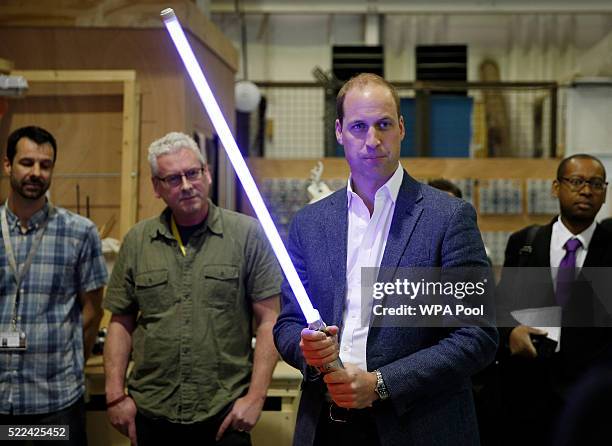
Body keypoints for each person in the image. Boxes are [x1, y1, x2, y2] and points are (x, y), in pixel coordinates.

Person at [273, 73, 498, 446]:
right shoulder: (310, 223)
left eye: (383, 125)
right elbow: (288, 322)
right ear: (339, 131)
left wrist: (380, 384)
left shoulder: (448, 218)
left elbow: (476, 335)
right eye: (359, 126)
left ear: (401, 128)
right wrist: (305, 348)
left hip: (419, 425)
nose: (372, 140)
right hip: (328, 426)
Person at [103, 132, 282, 445]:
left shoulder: (246, 235)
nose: (185, 186)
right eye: (172, 178)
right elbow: (121, 322)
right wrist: (115, 396)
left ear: (207, 173)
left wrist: (256, 397)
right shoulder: (138, 241)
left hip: (224, 415)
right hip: (153, 414)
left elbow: (270, 321)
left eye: (192, 173)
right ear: (156, 187)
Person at [494, 154, 612, 445]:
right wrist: (510, 334)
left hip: (591, 400)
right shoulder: (525, 243)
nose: (586, 191)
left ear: (605, 192)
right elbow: (502, 309)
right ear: (556, 188)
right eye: (576, 182)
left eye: (596, 183)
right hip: (528, 394)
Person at [0, 126, 107, 444]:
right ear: (8, 165)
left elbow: (92, 311)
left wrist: (71, 362)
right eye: (27, 163)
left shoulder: (80, 233)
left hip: (56, 402)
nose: (36, 172)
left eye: (45, 165)